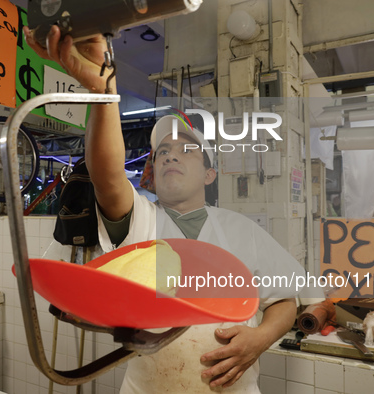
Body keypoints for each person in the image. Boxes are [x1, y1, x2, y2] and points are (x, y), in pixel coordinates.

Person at [25, 26, 305, 392]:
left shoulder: (241, 230)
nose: (171, 153)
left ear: (209, 174)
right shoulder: (142, 220)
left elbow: (285, 299)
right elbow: (106, 178)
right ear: (152, 175)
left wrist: (260, 339)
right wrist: (103, 90)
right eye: (162, 152)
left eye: (186, 148)